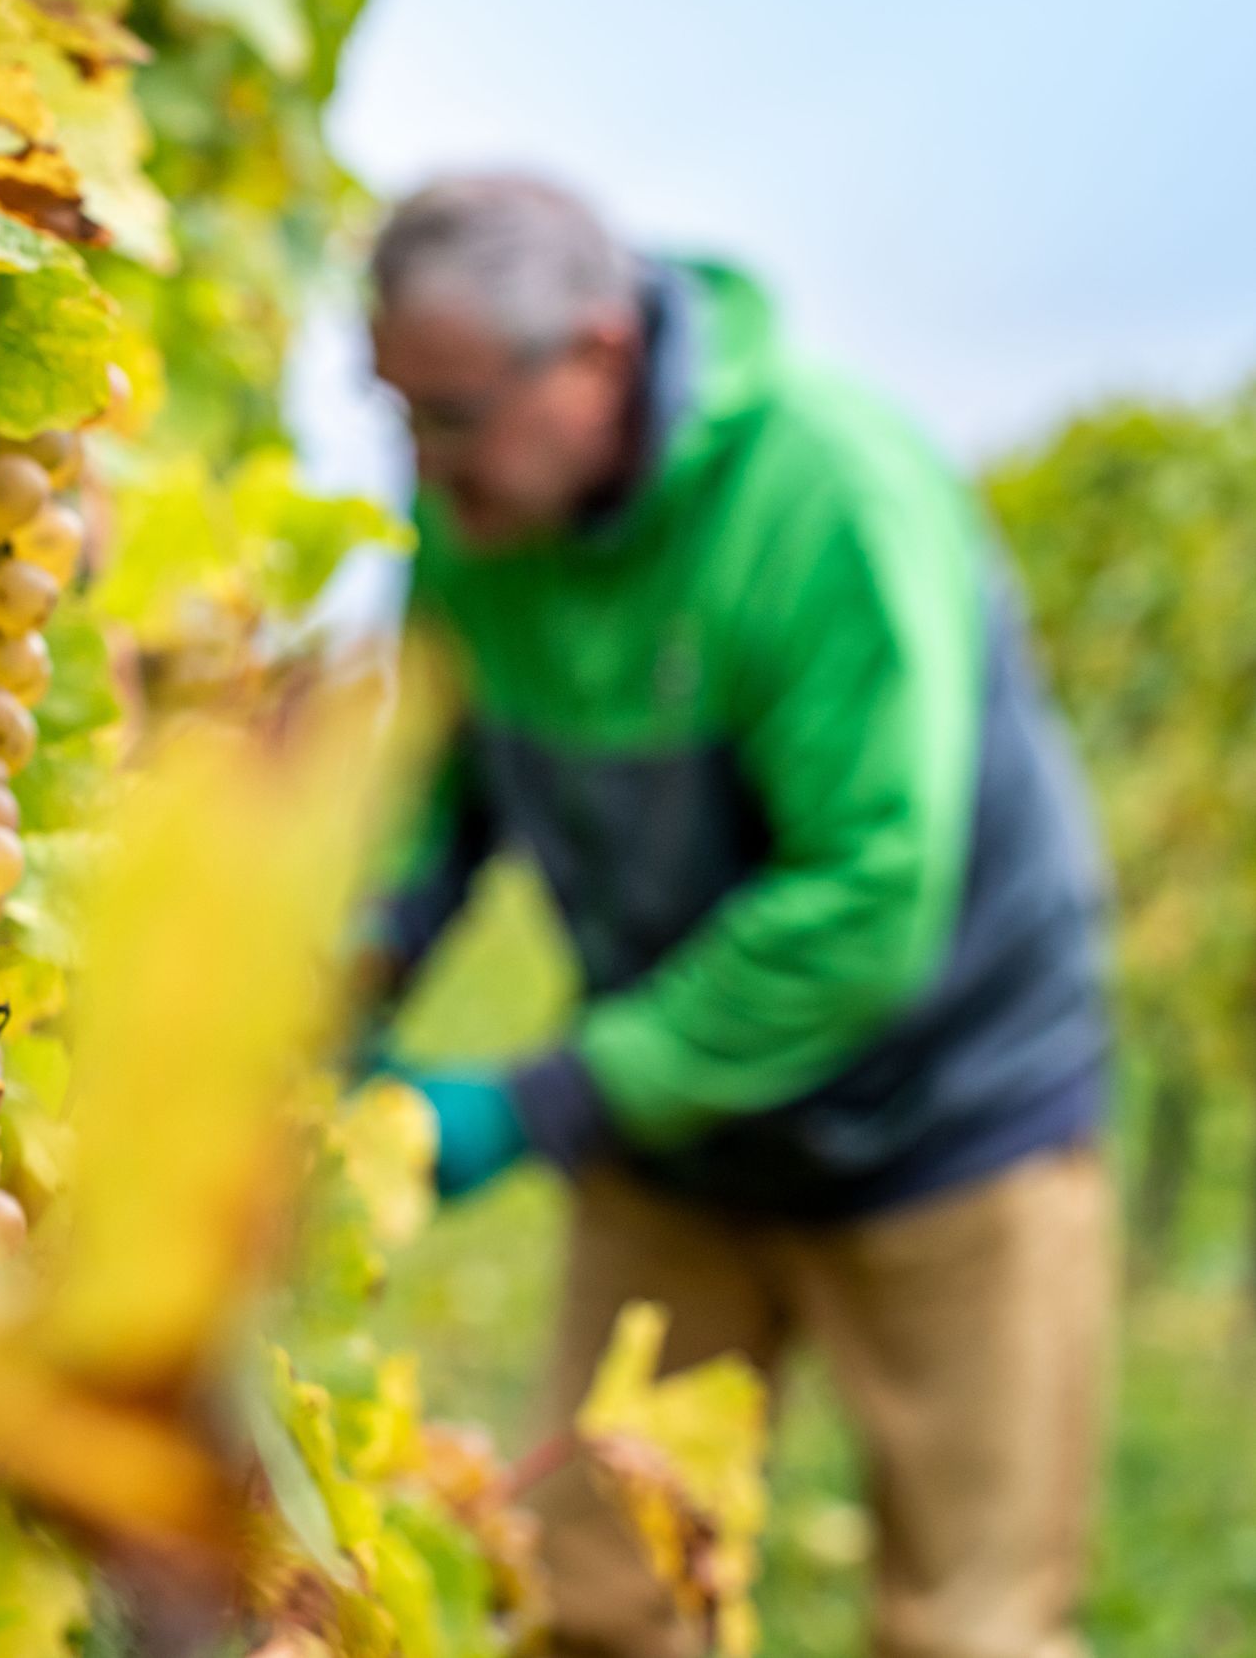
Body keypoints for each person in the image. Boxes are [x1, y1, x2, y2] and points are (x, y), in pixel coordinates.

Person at [356, 176, 1113, 1658]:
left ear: (596, 356)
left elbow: (866, 904)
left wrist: (542, 1101)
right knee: (591, 1598)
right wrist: (346, 969)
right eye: (395, 414)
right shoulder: (476, 515)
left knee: (972, 1626)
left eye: (449, 415)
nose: (422, 470)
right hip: (684, 1136)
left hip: (951, 1120)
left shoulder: (827, 501)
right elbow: (431, 801)